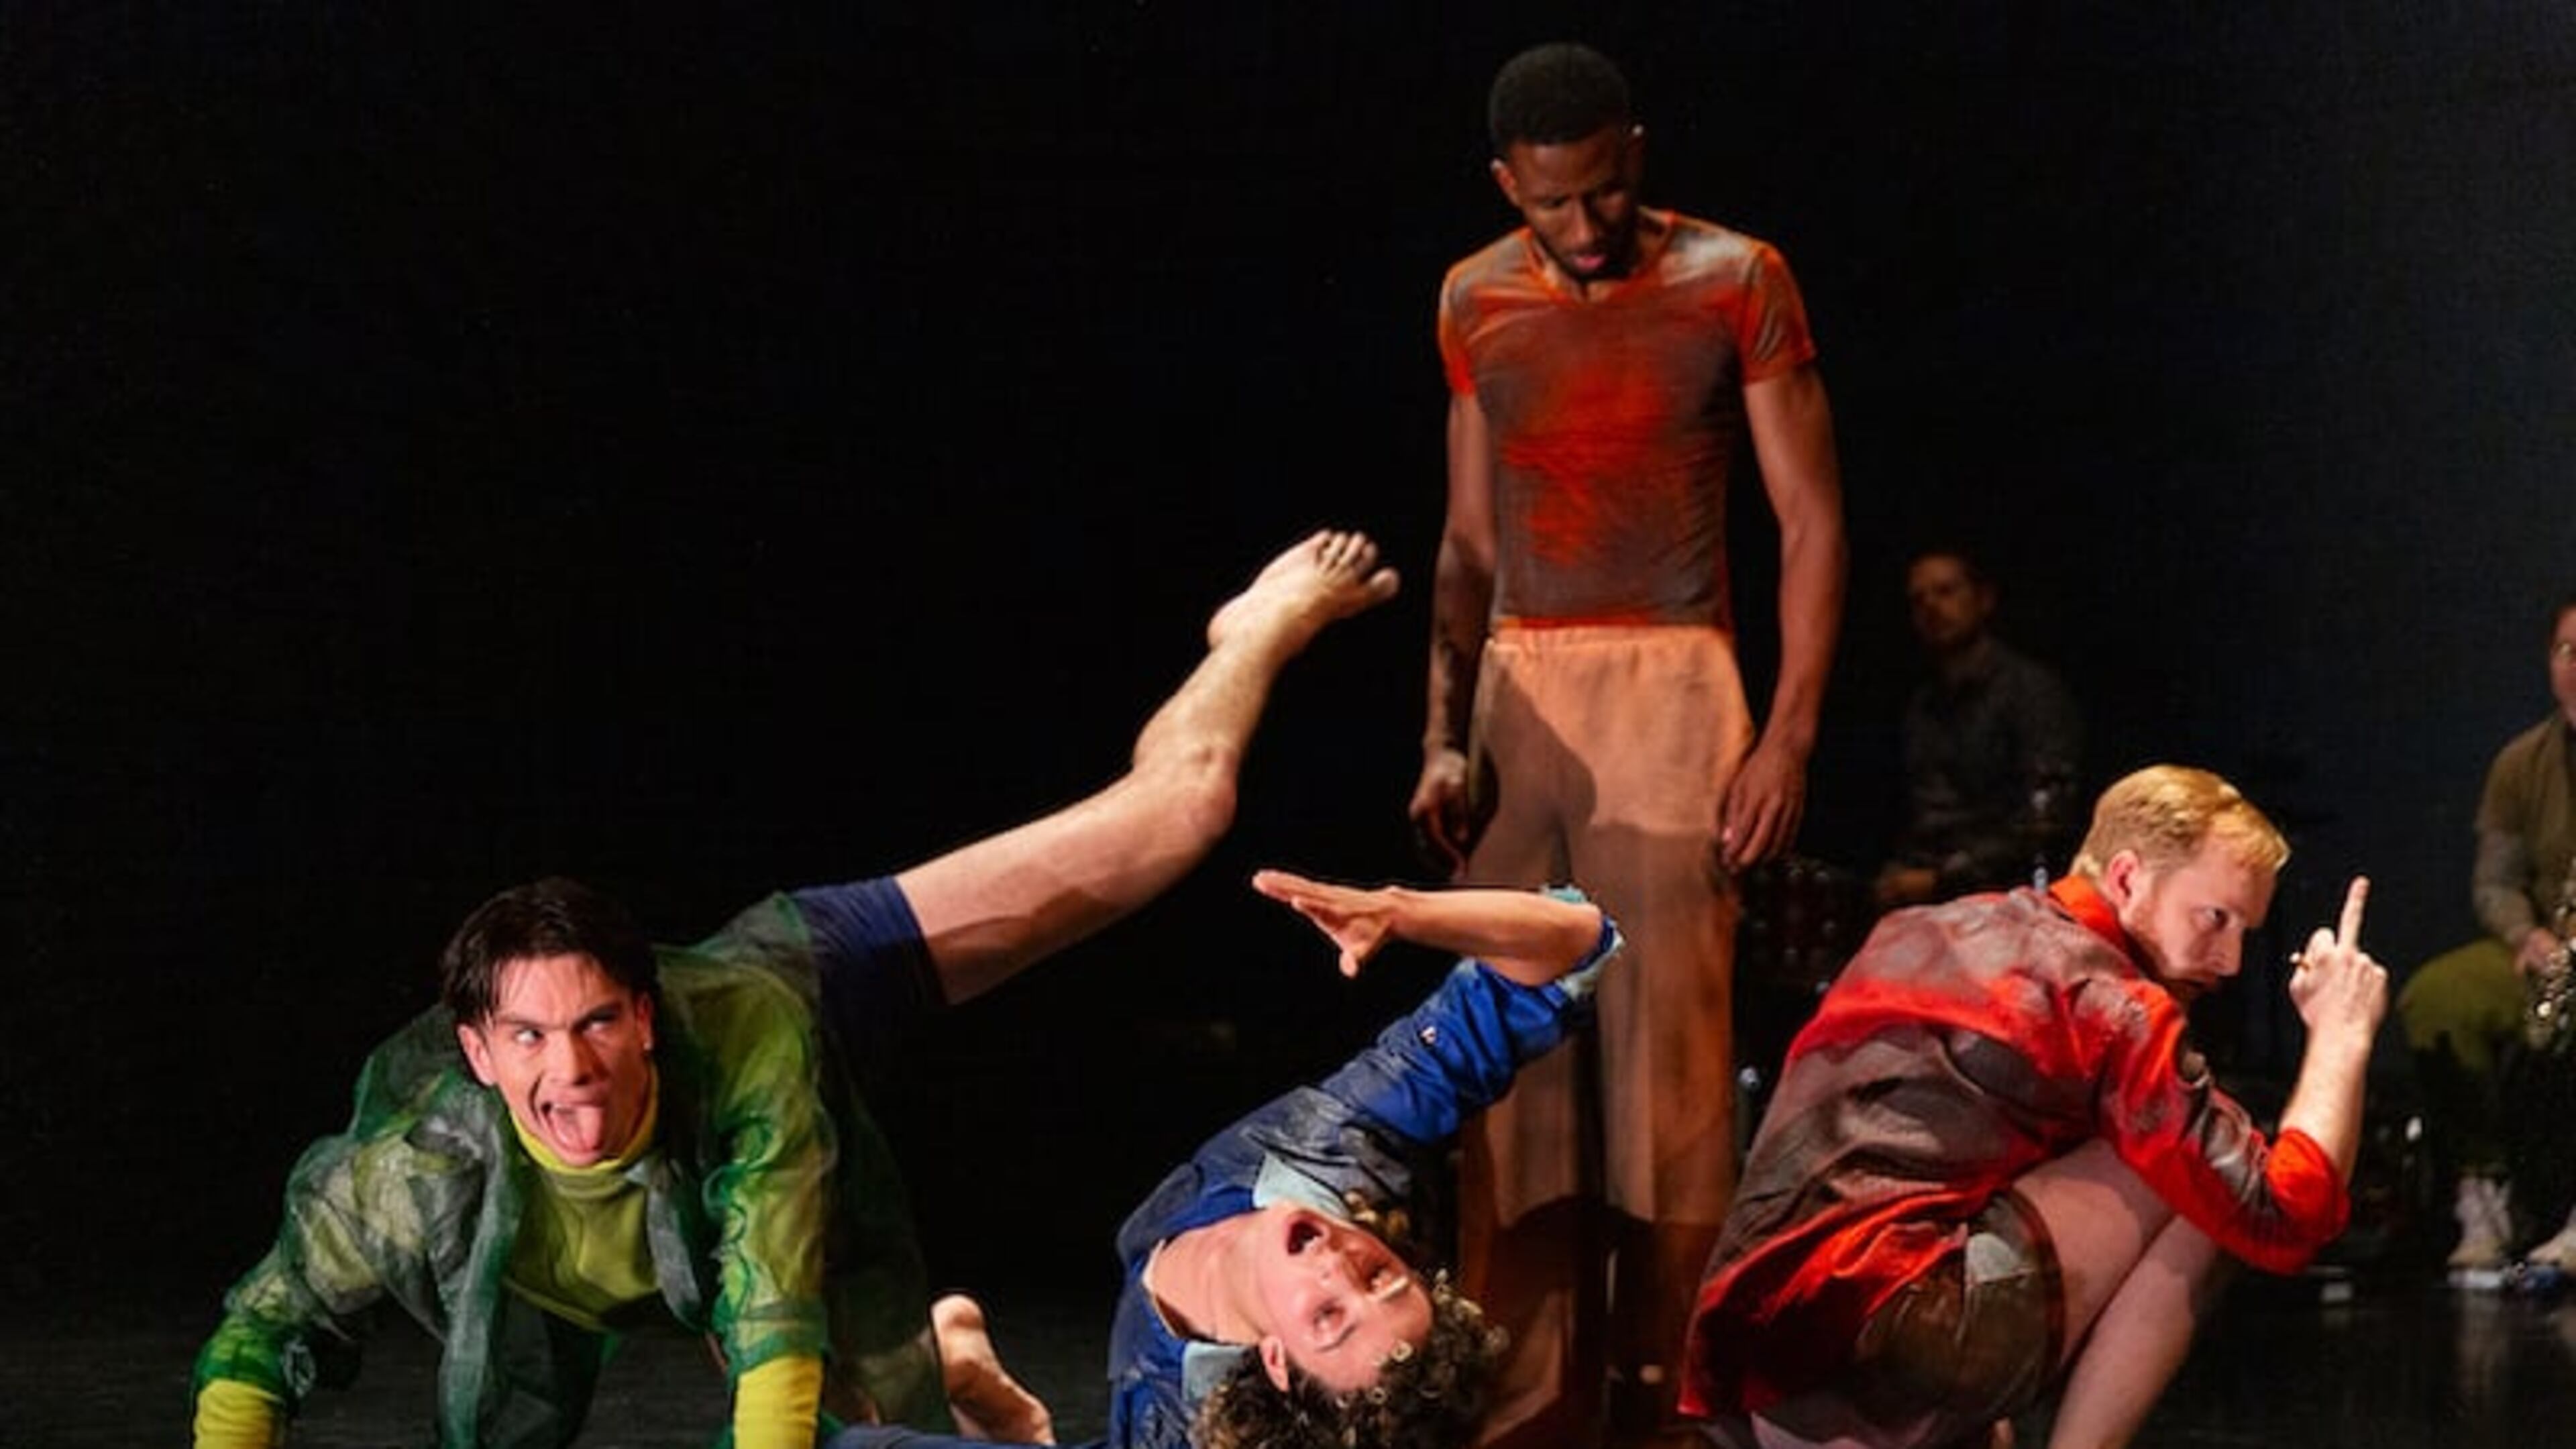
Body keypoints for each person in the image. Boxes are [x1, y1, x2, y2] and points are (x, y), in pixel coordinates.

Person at [189, 530, 1402, 1449]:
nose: (572, 1071)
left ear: (647, 1014)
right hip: (682, 1205)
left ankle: (1251, 632)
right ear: (480, 1055)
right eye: (533, 1040)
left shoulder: (744, 1040)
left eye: (601, 1022)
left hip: (810, 985)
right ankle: (954, 1356)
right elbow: (273, 1322)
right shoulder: (422, 1164)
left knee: (1181, 816)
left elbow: (769, 1297)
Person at [1405, 40, 1847, 1448]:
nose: (1585, 231)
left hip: (1675, 688)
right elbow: (1470, 541)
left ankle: (1673, 1406)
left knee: (1668, 1074)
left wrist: (1784, 737)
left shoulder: (1737, 278)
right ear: (1506, 187)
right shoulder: (1475, 297)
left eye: (1603, 195)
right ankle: (1527, 1411)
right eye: (1553, 206)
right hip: (1524, 689)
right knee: (1517, 1079)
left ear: (1635, 155)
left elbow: (1814, 522)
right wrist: (1439, 735)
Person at [1681, 765, 2388, 1449]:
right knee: (2197, 1183)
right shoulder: (2110, 1002)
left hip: (1746, 1372)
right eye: (2214, 918)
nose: (2231, 961)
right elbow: (2285, 1214)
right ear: (2127, 879)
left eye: (2244, 931)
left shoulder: (1921, 928)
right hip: (1883, 1349)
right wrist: (2341, 1034)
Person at [825, 869, 1622, 1449]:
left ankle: (1008, 1420)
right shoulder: (1345, 1147)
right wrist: (1402, 910)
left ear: (1273, 1359)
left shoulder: (1196, 1424)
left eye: (1328, 1317)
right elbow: (1576, 942)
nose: (1340, 1269)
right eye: (1382, 1277)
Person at [2397, 592, 2576, 1274]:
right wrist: (2525, 935)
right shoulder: (2520, 762)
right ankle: (2484, 1187)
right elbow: (2495, 881)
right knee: (2439, 997)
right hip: (2544, 949)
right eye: (2568, 650)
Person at [1873, 548, 2084, 912]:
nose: (1931, 607)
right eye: (1918, 599)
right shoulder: (1922, 705)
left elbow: (2046, 817)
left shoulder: (2029, 692)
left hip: (2003, 895)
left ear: (1983, 599)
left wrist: (1946, 878)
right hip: (1928, 890)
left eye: (1945, 591)